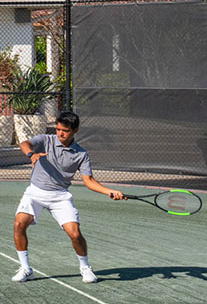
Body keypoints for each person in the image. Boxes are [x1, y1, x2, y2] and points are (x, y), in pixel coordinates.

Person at [12, 112, 123, 284]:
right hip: (35, 193)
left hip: (60, 197)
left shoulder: (81, 154)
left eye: (64, 130)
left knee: (75, 234)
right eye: (57, 129)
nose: (60, 133)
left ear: (75, 130)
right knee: (19, 224)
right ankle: (26, 269)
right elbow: (24, 143)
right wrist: (31, 154)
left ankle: (85, 268)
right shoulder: (45, 140)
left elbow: (89, 181)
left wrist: (109, 191)